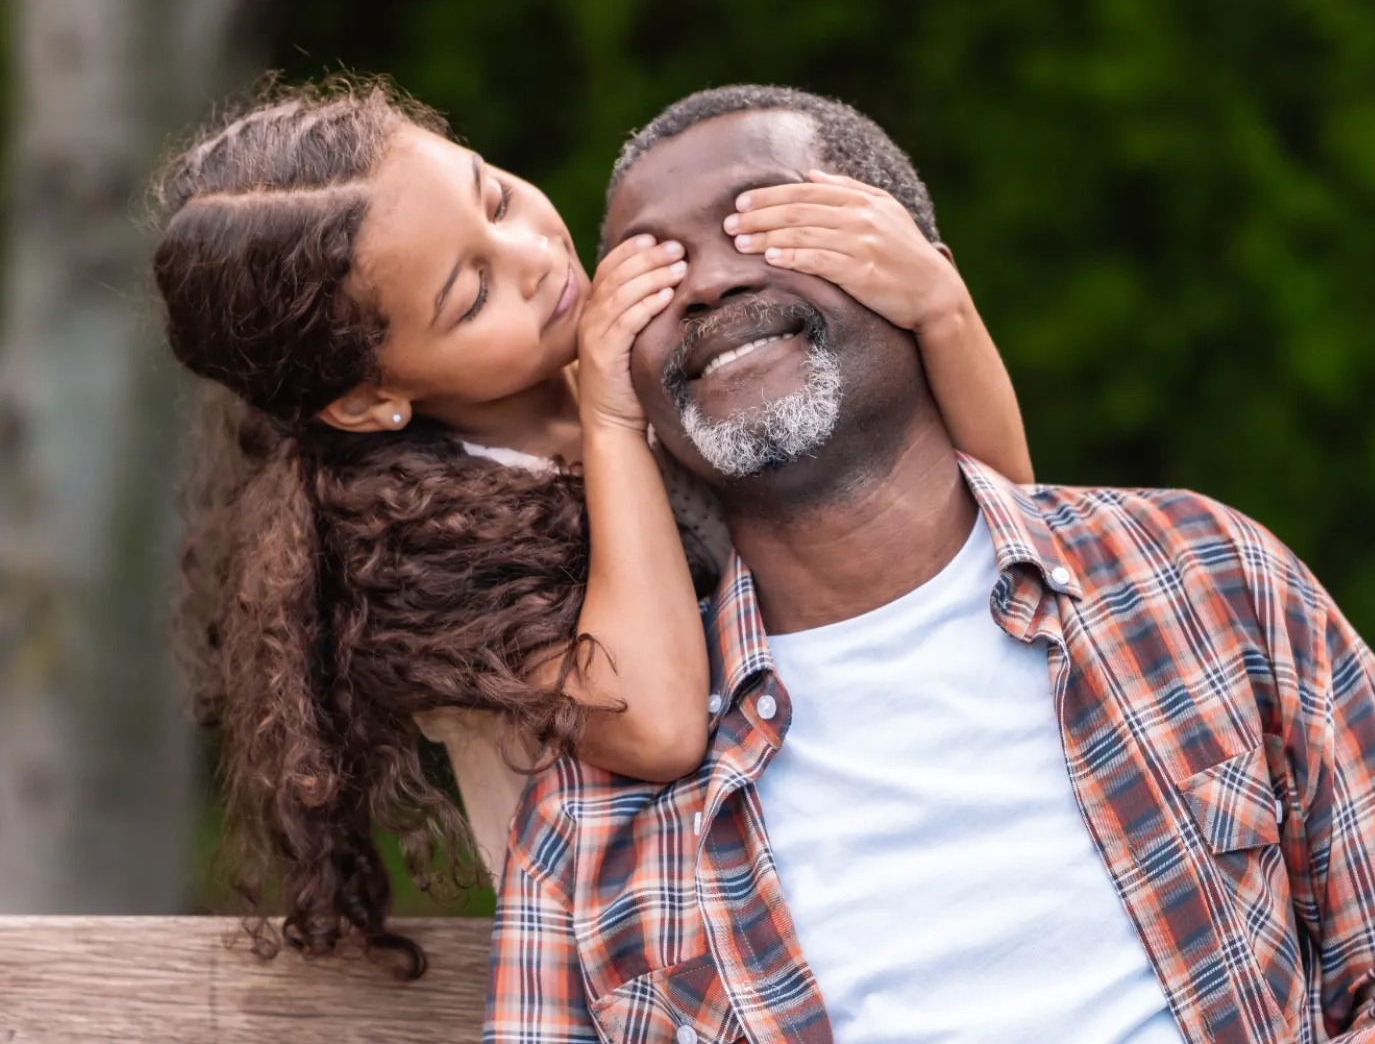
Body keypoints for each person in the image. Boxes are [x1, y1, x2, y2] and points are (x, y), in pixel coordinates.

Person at [485, 85, 1375, 1044]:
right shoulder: (593, 813)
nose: (709, 281)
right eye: (650, 272)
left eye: (766, 222)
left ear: (917, 277)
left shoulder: (1205, 582)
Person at [148, 75, 1031, 974]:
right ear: (371, 400)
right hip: (677, 961)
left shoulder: (651, 343)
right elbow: (656, 726)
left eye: (491, 196)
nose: (530, 253)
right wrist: (611, 424)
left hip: (863, 861)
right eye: (471, 294)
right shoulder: (401, 563)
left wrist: (940, 305)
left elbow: (990, 529)